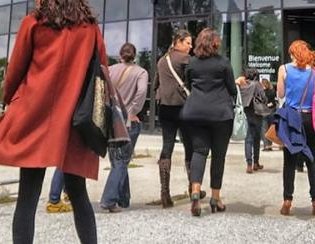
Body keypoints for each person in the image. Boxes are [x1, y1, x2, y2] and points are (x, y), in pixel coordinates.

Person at [0, 0, 107, 244]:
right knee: (78, 194)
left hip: (35, 115)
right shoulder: (89, 28)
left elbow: (15, 70)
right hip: (75, 118)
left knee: (28, 197)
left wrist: (11, 100)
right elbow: (101, 69)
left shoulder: (32, 23)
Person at [180, 28, 236, 217]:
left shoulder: (192, 63)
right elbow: (231, 88)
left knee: (199, 151)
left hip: (195, 112)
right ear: (215, 44)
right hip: (220, 114)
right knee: (218, 156)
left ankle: (195, 190)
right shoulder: (223, 63)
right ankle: (215, 198)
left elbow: (188, 84)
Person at [276, 40, 315, 217]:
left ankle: (287, 200)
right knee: (312, 159)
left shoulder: (284, 69)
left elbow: (281, 94)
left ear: (292, 53)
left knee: (289, 161)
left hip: (292, 117)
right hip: (310, 117)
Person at [100, 42, 148, 212]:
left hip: (113, 120)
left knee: (118, 160)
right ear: (134, 55)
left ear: (120, 55)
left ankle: (124, 199)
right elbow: (142, 92)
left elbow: (102, 90)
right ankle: (108, 200)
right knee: (121, 161)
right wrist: (133, 110)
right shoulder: (141, 72)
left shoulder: (111, 70)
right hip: (129, 121)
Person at [153, 29, 198, 208]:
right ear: (178, 42)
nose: (190, 46)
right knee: (190, 147)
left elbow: (156, 84)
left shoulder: (162, 60)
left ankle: (165, 193)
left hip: (165, 108)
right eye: (188, 42)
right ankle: (192, 187)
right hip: (184, 107)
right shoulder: (185, 59)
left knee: (167, 146)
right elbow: (195, 79)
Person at [236, 68, 267, 173]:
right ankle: (255, 162)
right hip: (257, 113)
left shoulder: (242, 85)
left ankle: (249, 164)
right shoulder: (257, 84)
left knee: (248, 139)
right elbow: (263, 97)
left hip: (246, 113)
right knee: (256, 139)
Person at [260, 79, 277, 151]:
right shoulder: (273, 91)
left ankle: (266, 145)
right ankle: (270, 144)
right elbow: (274, 101)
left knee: (264, 129)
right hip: (272, 111)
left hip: (264, 111)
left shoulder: (262, 92)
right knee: (271, 128)